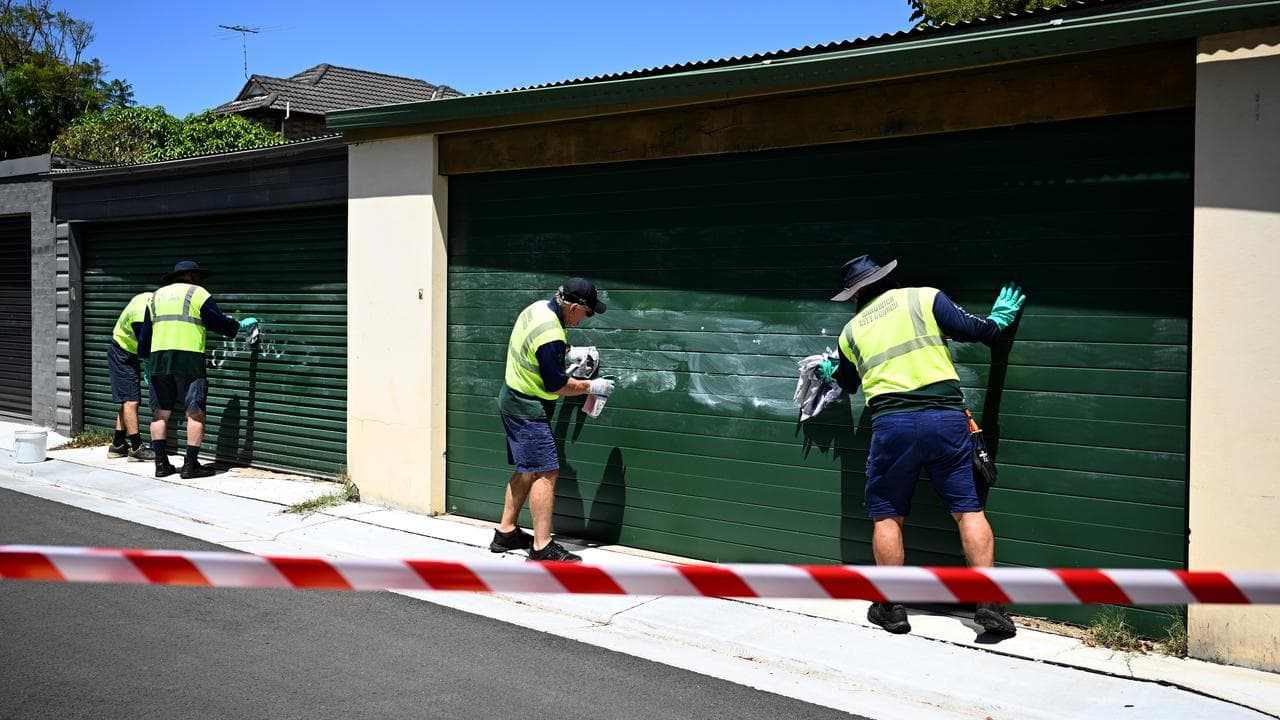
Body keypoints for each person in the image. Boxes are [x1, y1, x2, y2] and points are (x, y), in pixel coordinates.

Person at [827, 255, 1025, 637]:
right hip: (945, 420)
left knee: (887, 515)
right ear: (888, 279)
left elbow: (847, 382)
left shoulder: (849, 333)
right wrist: (997, 322)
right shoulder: (923, 298)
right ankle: (989, 604)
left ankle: (893, 606)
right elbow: (979, 331)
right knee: (968, 509)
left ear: (854, 296)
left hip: (892, 426)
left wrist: (829, 370)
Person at [490, 277, 614, 563]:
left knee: (526, 470)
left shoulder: (537, 309)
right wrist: (590, 386)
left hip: (511, 398)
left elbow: (538, 348)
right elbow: (555, 385)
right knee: (546, 472)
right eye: (587, 312)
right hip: (527, 407)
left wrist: (567, 353)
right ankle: (542, 546)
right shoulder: (551, 334)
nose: (587, 318)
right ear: (573, 307)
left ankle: (505, 533)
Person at [137, 260, 259, 480]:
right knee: (195, 412)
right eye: (199, 276)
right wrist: (238, 325)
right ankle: (190, 465)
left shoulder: (154, 297)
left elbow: (145, 336)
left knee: (160, 413)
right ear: (192, 276)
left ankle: (161, 464)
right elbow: (218, 323)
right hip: (188, 359)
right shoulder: (198, 293)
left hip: (158, 361)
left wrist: (146, 362)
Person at [105, 290, 157, 461]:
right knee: (131, 401)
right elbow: (145, 346)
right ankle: (136, 448)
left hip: (128, 351)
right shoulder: (140, 316)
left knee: (127, 400)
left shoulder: (149, 299)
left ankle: (118, 445)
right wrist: (149, 366)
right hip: (121, 352)